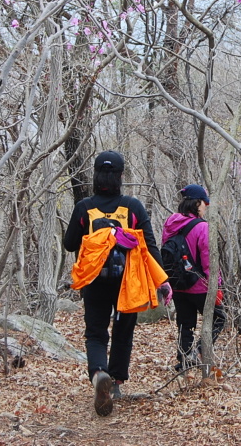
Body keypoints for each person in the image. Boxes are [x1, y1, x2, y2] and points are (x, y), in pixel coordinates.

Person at [63, 150, 170, 416]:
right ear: (121, 176)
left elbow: (69, 244)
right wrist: (162, 281)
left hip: (95, 281)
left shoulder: (84, 208)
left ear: (96, 175)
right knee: (124, 332)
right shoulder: (132, 207)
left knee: (96, 332)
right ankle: (117, 382)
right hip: (128, 280)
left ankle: (99, 373)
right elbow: (149, 247)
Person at [161, 184, 225, 371]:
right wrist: (217, 285)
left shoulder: (170, 225)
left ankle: (183, 361)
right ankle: (198, 352)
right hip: (200, 285)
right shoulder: (202, 227)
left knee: (185, 323)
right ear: (197, 203)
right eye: (204, 203)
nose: (206, 206)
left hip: (177, 283)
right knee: (219, 318)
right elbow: (208, 259)